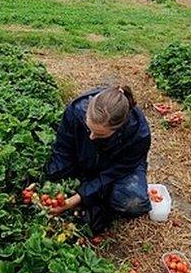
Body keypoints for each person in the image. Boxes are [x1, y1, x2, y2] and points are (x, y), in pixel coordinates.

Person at [45, 84, 152, 233]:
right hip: (86, 156)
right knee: (55, 171)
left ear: (118, 129)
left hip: (117, 168)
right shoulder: (76, 111)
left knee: (133, 203)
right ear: (87, 111)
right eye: (89, 129)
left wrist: (75, 199)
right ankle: (94, 195)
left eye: (100, 134)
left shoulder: (139, 135)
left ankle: (98, 199)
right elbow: (63, 148)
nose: (91, 136)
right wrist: (52, 179)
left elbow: (114, 173)